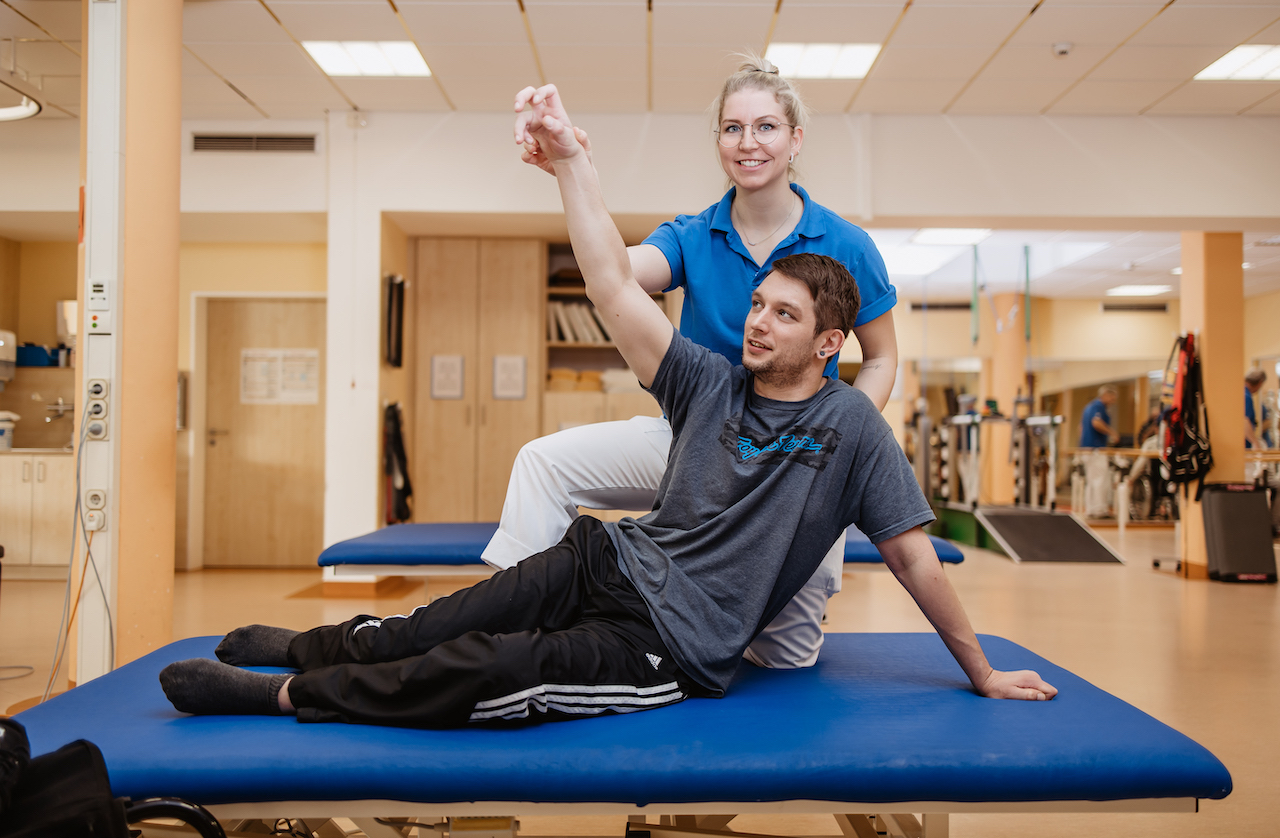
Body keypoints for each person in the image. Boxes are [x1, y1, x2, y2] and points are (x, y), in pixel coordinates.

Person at [157, 90, 1055, 729]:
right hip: (608, 557)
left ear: (829, 341)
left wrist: (980, 672)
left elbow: (912, 560)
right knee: (454, 616)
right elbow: (614, 288)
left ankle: (285, 697)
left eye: (783, 313)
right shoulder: (709, 380)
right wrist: (571, 164)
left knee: (499, 669)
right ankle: (308, 647)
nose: (756, 320)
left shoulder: (852, 426)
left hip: (670, 640)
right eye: (755, 304)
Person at [493, 57, 899, 670]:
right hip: (695, 443)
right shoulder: (691, 235)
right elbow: (614, 275)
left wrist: (831, 448)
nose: (748, 142)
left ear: (795, 139)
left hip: (794, 465)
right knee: (543, 462)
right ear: (719, 143)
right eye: (732, 128)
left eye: (766, 127)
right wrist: (574, 171)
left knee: (781, 661)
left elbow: (882, 356)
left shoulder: (844, 244)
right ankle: (512, 625)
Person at [1079, 385, 1117, 518]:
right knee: (1101, 479)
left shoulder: (1088, 407)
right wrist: (1112, 433)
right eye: (1112, 398)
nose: (1113, 401)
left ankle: (1091, 509)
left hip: (1086, 448)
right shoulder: (1098, 407)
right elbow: (1096, 423)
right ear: (1105, 395)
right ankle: (1099, 509)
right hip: (1096, 448)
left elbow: (1081, 428)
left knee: (1091, 480)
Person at [1245, 369, 1268, 449]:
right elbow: (1244, 420)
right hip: (1243, 444)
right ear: (1260, 383)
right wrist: (1255, 442)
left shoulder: (1241, 391)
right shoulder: (1246, 396)